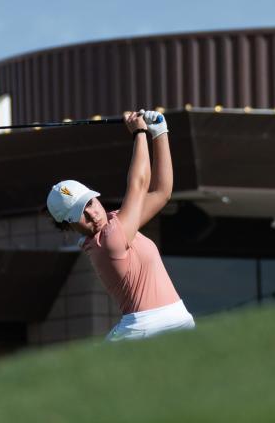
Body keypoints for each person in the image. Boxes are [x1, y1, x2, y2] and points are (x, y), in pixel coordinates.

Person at [46, 109, 195, 341]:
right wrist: (139, 133)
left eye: (90, 203)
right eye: (81, 213)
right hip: (145, 328)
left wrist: (160, 133)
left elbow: (161, 192)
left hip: (173, 319)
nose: (93, 213)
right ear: (69, 225)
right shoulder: (109, 240)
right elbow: (139, 184)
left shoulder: (118, 223)